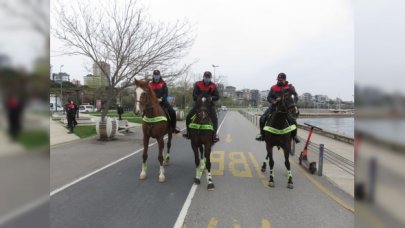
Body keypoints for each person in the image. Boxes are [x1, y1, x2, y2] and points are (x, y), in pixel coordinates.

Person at [255, 72, 300, 143]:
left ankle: (294, 136)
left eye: (281, 80)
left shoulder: (290, 87)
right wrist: (274, 101)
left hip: (286, 109)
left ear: (285, 80)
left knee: (293, 121)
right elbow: (269, 97)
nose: (279, 81)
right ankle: (262, 135)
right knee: (262, 118)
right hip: (273, 108)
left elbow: (296, 96)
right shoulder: (273, 88)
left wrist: (293, 103)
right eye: (278, 80)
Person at [183, 71, 220, 142]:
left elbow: (217, 96)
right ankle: (188, 133)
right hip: (199, 105)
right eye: (206, 77)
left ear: (210, 78)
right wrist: (200, 98)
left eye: (208, 77)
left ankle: (214, 135)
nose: (207, 78)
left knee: (214, 118)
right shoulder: (198, 84)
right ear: (203, 77)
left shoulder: (213, 85)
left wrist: (211, 98)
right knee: (189, 116)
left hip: (209, 105)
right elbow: (194, 95)